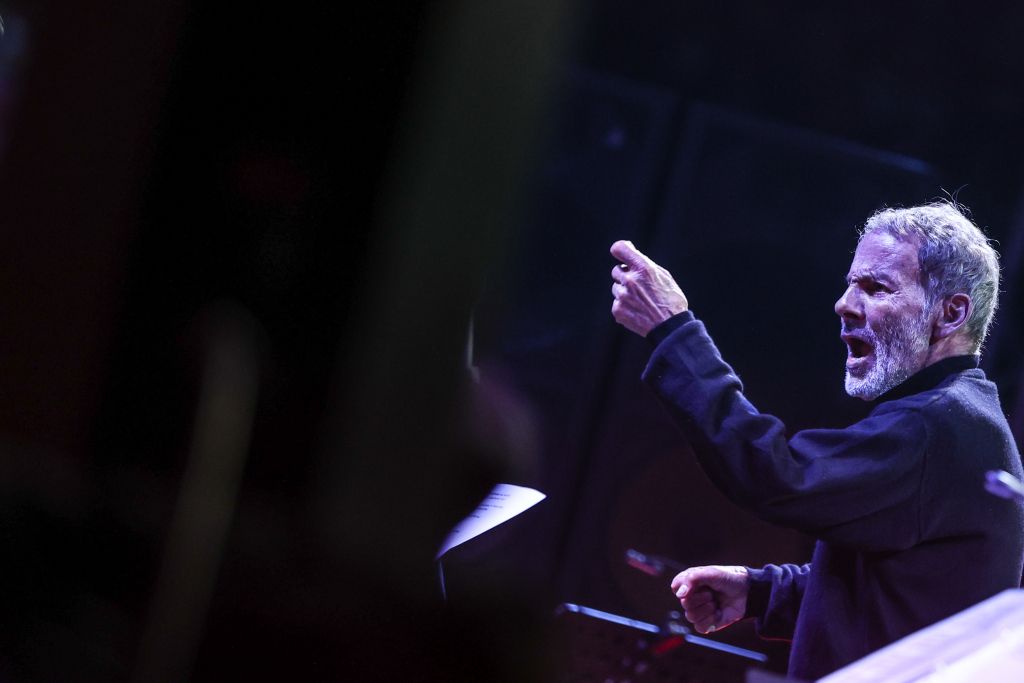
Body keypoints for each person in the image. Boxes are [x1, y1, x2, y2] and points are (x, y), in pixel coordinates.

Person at [609, 202, 1024, 680]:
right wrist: (761, 593)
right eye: (850, 284)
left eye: (876, 287)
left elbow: (779, 477)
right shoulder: (962, 418)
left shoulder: (938, 425)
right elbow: (905, 593)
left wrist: (673, 333)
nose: (844, 304)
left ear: (951, 313)